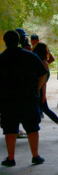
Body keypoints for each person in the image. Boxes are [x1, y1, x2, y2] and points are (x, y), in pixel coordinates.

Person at [0, 30, 47, 166]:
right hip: (28, 98)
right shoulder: (30, 56)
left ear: (5, 41)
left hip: (8, 100)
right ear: (20, 40)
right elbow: (43, 73)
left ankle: (11, 158)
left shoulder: (1, 58)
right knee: (32, 128)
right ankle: (35, 156)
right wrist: (36, 90)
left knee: (10, 129)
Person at [32, 42, 58, 140]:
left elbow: (43, 81)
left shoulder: (37, 62)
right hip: (38, 91)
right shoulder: (44, 63)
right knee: (45, 110)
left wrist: (42, 93)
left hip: (35, 91)